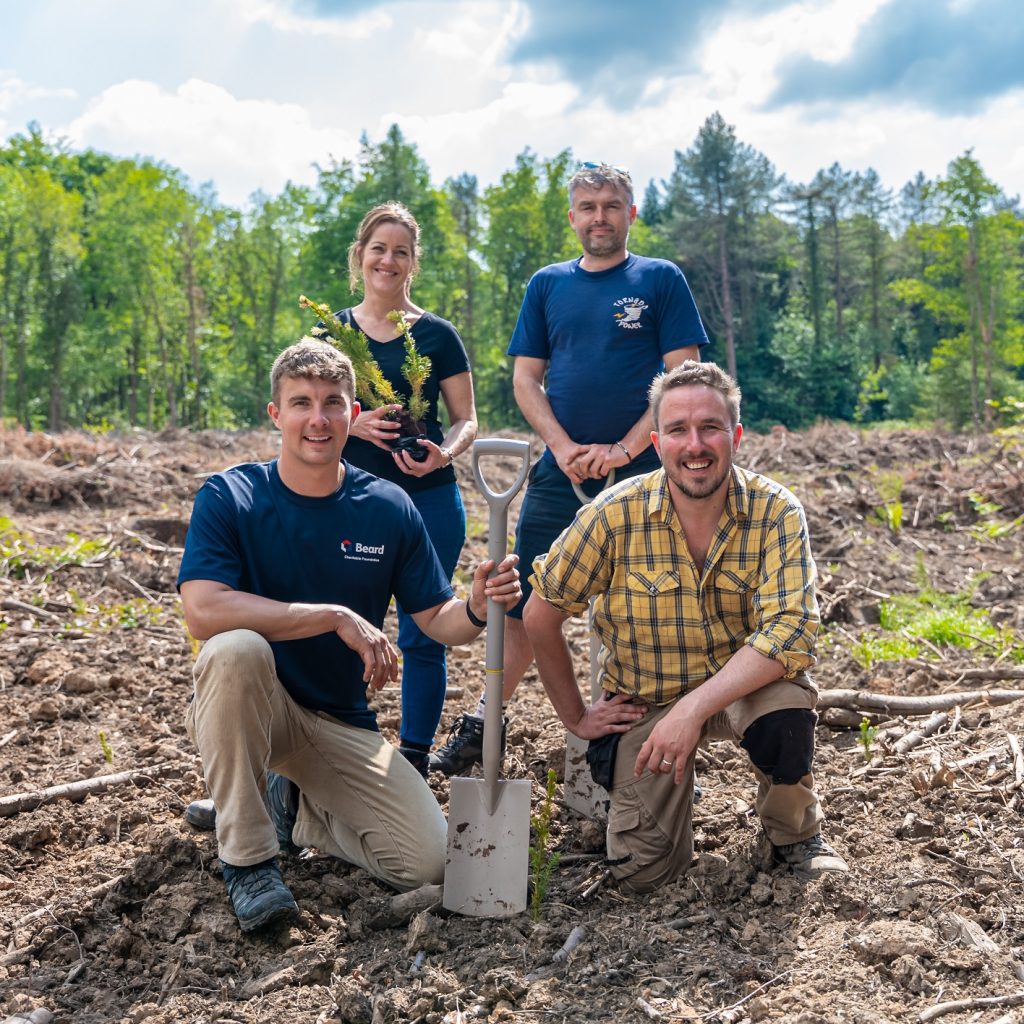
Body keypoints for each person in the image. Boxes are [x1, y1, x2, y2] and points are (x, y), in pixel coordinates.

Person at [178, 338, 520, 931]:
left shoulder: (386, 507)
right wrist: (332, 615)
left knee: (426, 862)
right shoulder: (231, 496)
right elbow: (204, 611)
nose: (318, 419)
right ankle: (248, 858)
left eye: (332, 403)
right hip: (248, 710)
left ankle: (296, 807)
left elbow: (436, 619)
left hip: (335, 722)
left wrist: (475, 605)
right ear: (275, 413)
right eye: (301, 403)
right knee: (235, 649)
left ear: (353, 414)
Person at [522, 361, 848, 892]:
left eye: (710, 427)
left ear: (735, 437)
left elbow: (791, 631)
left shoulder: (775, 512)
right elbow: (541, 613)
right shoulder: (613, 515)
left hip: (744, 690)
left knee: (786, 711)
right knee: (643, 876)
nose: (695, 445)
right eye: (678, 430)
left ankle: (794, 833)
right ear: (657, 443)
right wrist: (576, 717)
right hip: (646, 701)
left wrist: (693, 710)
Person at [431, 161, 709, 775]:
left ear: (631, 213)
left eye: (611, 206)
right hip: (563, 472)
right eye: (588, 207)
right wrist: (560, 447)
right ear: (572, 217)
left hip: (646, 471)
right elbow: (526, 379)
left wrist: (625, 449)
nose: (599, 218)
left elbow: (683, 380)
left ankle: (634, 734)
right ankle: (485, 720)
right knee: (528, 596)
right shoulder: (548, 285)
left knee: (643, 601)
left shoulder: (659, 279)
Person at [328, 202, 477, 777]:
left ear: (414, 262)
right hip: (353, 500)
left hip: (428, 500)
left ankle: (413, 759)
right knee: (338, 626)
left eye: (400, 252)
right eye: (378, 249)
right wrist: (353, 423)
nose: (387, 260)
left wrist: (446, 451)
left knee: (423, 632)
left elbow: (466, 419)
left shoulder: (438, 335)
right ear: (360, 256)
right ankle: (334, 750)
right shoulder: (332, 333)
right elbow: (309, 412)